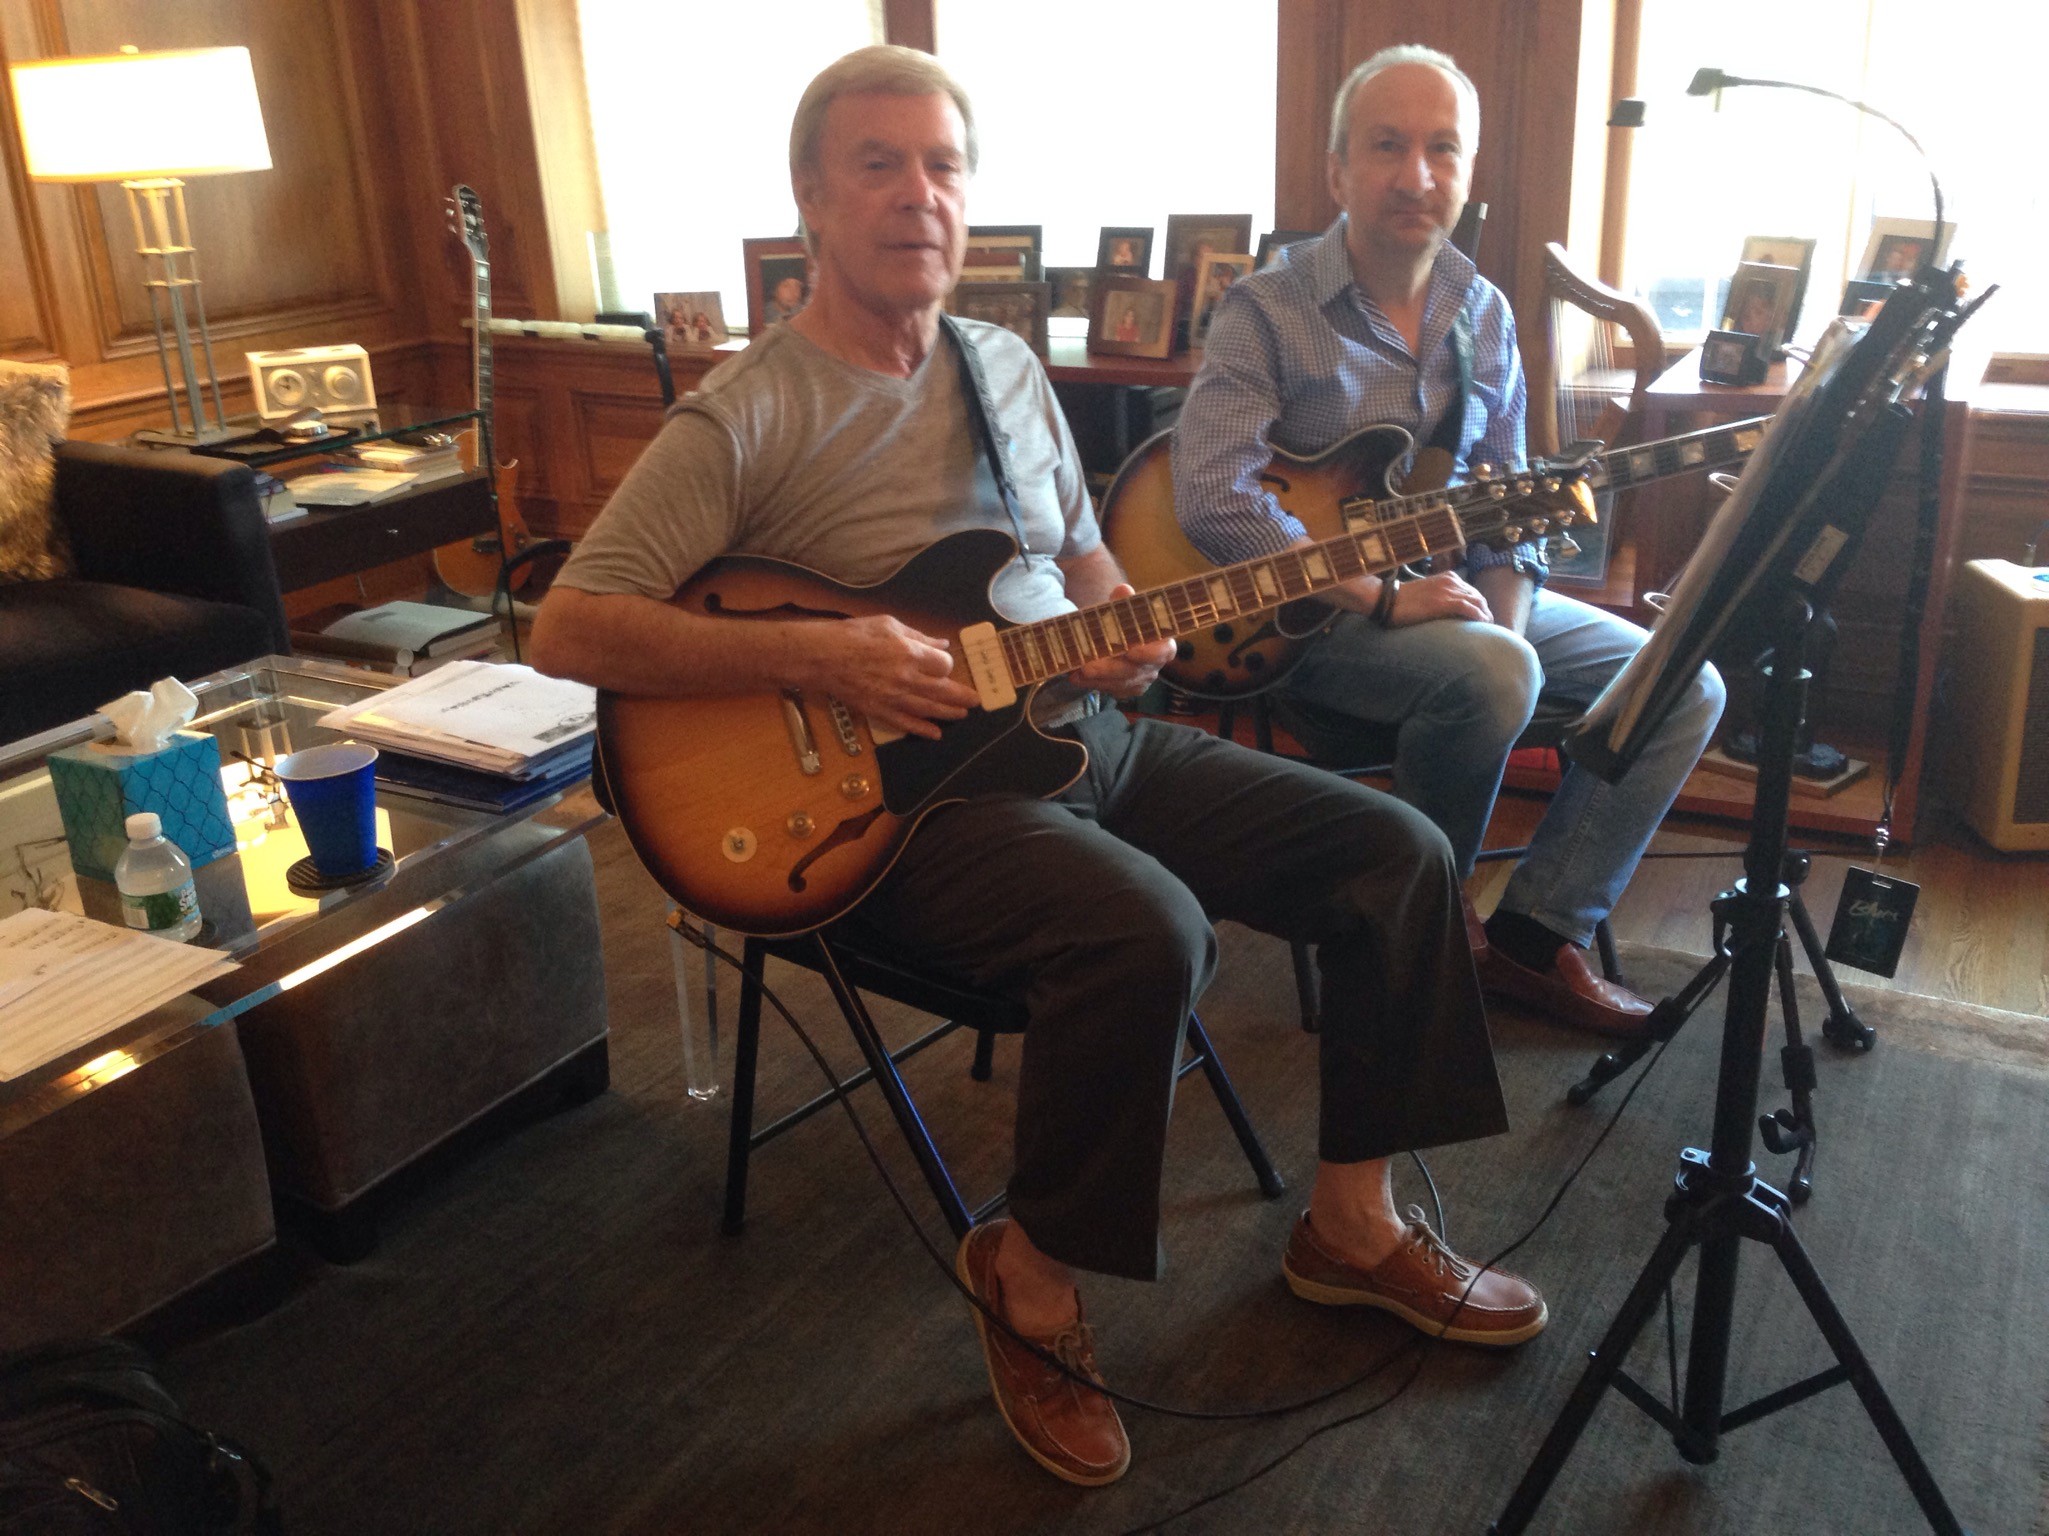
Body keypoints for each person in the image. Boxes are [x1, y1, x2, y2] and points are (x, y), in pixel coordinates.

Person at [530, 45, 1547, 1488]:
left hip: (1069, 731)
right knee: (1147, 929)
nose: (916, 196)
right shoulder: (746, 412)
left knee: (1399, 855)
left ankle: (1353, 1225)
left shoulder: (1003, 369)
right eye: (876, 165)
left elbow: (1074, 555)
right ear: (811, 198)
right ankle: (1032, 1271)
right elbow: (567, 622)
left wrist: (1112, 631)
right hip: (893, 810)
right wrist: (814, 658)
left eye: (941, 166)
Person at [1172, 44, 1726, 1038]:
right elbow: (1215, 499)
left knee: (1683, 684)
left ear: (1468, 173)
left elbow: (1506, 505)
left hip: (1449, 600)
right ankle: (1418, 938)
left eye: (1442, 150)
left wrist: (1503, 618)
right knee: (1488, 682)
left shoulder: (1483, 310)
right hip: (1311, 617)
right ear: (1338, 170)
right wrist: (1383, 595)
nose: (1416, 175)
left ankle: (1529, 938)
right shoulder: (1266, 310)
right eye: (1388, 147)